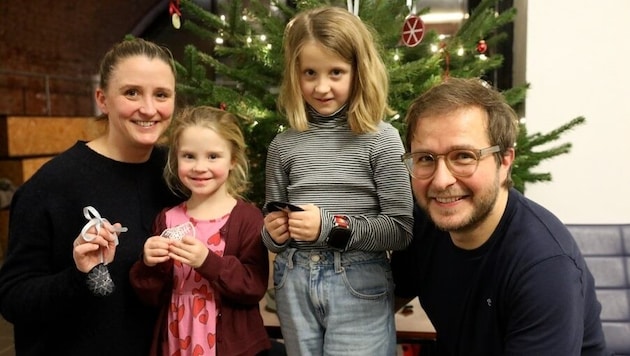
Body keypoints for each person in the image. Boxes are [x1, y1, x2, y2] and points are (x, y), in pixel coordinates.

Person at [391, 77, 610, 355]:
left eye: (463, 156)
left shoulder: (544, 268)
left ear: (505, 161)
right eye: (425, 158)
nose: (441, 181)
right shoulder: (426, 224)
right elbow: (377, 304)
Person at [0, 38, 181, 355]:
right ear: (103, 99)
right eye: (131, 92)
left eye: (161, 95)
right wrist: (78, 276)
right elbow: (13, 298)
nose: (149, 109)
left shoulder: (180, 175)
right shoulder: (52, 185)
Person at [262, 6, 413, 356]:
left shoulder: (382, 139)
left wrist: (330, 227)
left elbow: (400, 229)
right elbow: (269, 227)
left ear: (359, 72)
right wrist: (273, 233)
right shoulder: (283, 145)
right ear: (294, 74)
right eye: (310, 73)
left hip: (358, 282)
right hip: (293, 281)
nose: (321, 86)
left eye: (336, 72)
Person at [129, 106, 271, 356]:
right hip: (176, 339)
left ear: (233, 159)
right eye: (189, 156)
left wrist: (208, 262)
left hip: (227, 345)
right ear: (176, 159)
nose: (199, 167)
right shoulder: (167, 219)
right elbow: (149, 295)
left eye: (213, 156)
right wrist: (149, 263)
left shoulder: (248, 218)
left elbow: (253, 286)